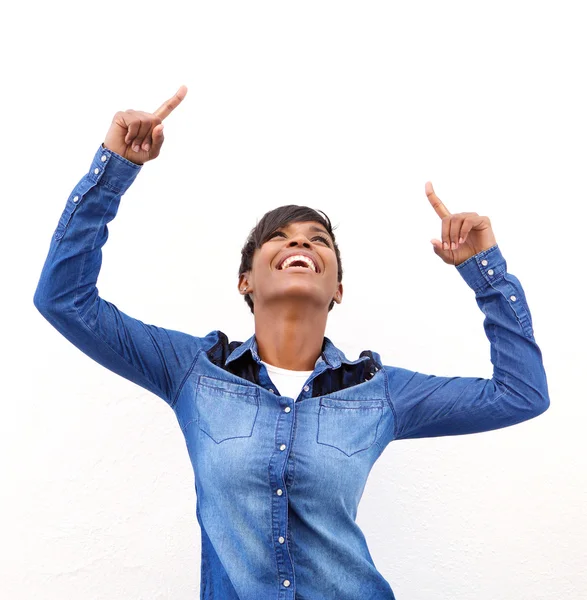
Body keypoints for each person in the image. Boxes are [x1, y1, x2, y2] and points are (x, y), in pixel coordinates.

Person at [33, 85, 550, 600]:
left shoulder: (380, 393)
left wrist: (486, 273)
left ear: (338, 289)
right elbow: (65, 300)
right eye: (279, 237)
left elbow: (521, 395)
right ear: (246, 281)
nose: (300, 241)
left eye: (318, 239)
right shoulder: (192, 370)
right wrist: (113, 171)